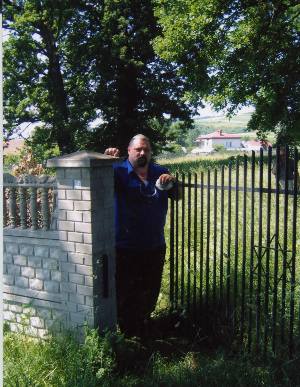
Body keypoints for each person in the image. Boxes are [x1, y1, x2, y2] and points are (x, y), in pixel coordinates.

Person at [105, 134, 181, 336]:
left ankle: (144, 326)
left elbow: (177, 197)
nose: (142, 153)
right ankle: (127, 334)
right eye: (138, 149)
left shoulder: (160, 172)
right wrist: (105, 161)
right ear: (129, 151)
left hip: (154, 245)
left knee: (150, 290)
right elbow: (97, 187)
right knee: (126, 293)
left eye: (146, 150)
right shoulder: (117, 171)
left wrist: (173, 182)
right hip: (125, 246)